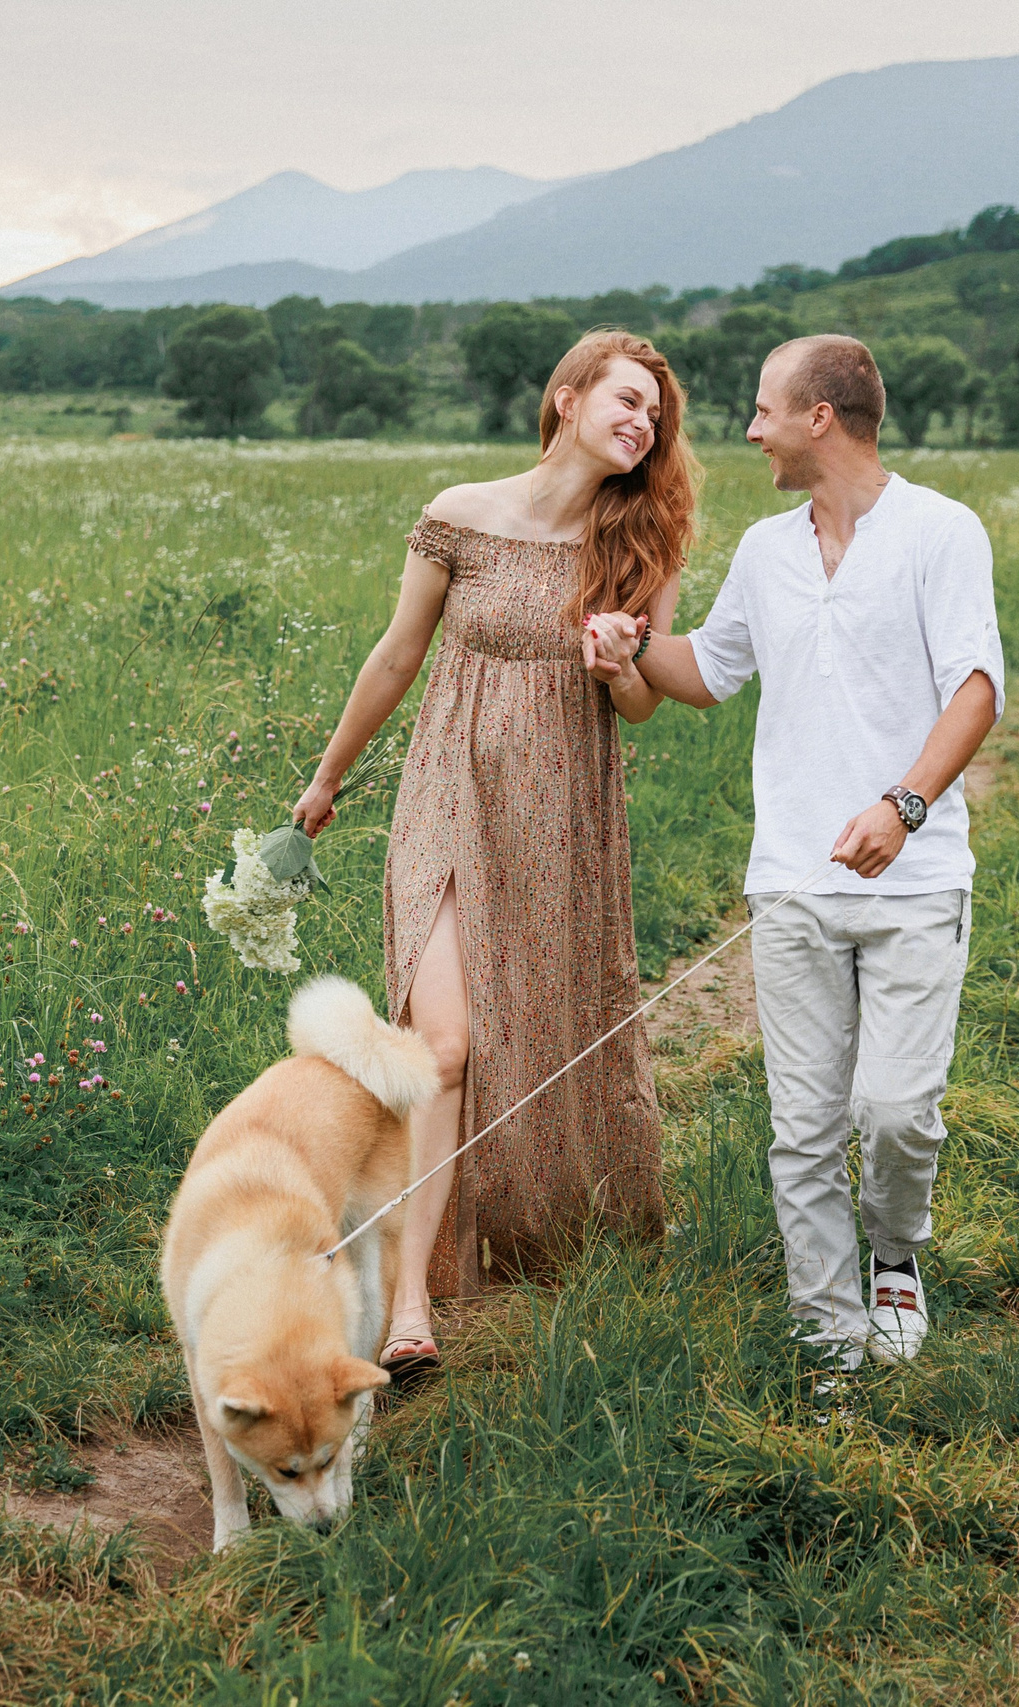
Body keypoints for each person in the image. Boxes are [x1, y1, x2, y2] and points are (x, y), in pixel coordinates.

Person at [585, 334, 1001, 1370]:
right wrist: (628, 647)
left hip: (915, 879)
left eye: (765, 408)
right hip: (791, 886)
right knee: (804, 1129)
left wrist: (902, 806)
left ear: (821, 417)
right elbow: (707, 673)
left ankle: (896, 1253)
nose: (750, 428)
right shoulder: (769, 552)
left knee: (896, 1113)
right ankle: (829, 1334)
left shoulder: (941, 533)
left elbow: (976, 690)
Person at [291, 329, 698, 1386]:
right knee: (448, 1042)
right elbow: (396, 654)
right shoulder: (460, 516)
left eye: (653, 413)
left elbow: (647, 704)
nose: (640, 422)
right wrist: (328, 777)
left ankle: (542, 1226)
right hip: (446, 790)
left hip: (560, 813)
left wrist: (619, 666)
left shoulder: (643, 547)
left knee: (547, 1024)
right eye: (623, 398)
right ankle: (415, 1303)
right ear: (564, 398)